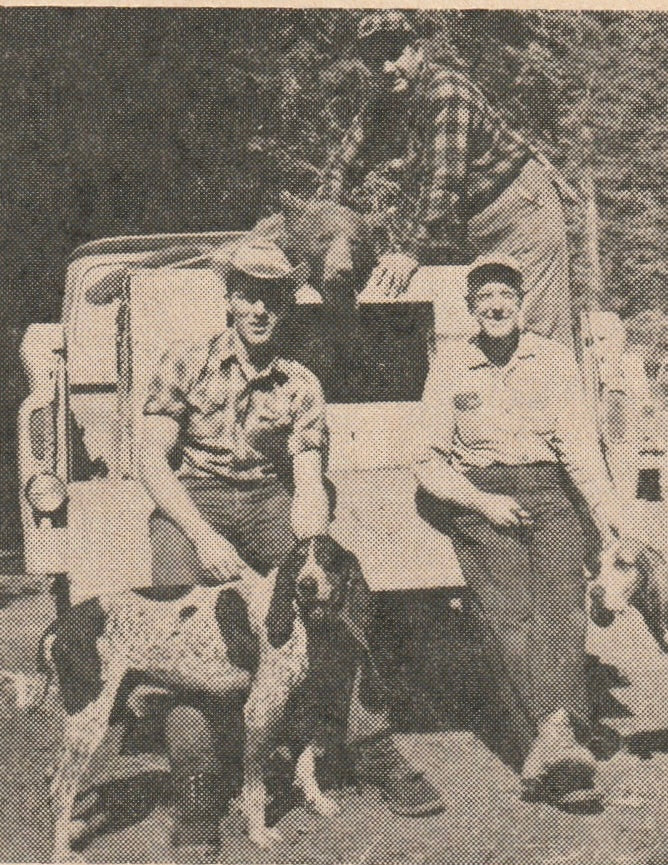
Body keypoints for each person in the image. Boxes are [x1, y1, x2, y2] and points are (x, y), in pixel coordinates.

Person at [139, 237, 444, 847]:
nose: (259, 309)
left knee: (336, 599)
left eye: (272, 297)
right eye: (248, 294)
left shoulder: (301, 384)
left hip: (270, 498)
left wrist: (311, 530)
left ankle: (367, 741)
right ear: (228, 300)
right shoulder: (184, 362)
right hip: (189, 499)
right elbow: (151, 460)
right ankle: (199, 789)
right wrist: (201, 535)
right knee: (184, 638)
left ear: (286, 305)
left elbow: (306, 476)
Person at [414, 257, 620, 802]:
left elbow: (579, 451)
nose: (497, 305)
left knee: (563, 613)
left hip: (552, 496)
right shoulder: (452, 364)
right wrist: (481, 502)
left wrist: (609, 515)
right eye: (484, 297)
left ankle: (550, 739)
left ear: (522, 301)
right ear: (470, 308)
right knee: (510, 618)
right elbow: (427, 462)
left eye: (506, 293)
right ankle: (558, 745)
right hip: (483, 501)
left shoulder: (552, 359)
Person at [318, 11, 573, 346]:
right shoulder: (383, 103)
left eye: (394, 54)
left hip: (521, 215)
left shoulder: (447, 91)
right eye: (374, 60)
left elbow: (444, 186)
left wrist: (409, 253)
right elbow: (340, 166)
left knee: (535, 336)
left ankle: (553, 398)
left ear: (418, 50)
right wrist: (320, 223)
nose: (386, 68)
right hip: (470, 226)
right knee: (475, 334)